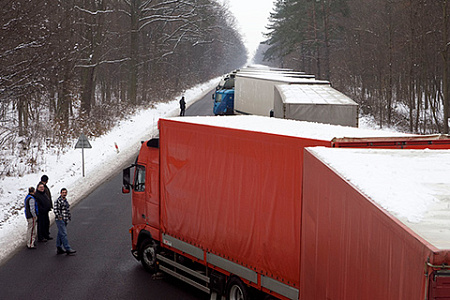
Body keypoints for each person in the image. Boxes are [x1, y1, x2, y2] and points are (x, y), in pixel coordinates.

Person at [54, 188, 76, 255]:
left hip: (65, 219)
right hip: (60, 220)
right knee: (64, 234)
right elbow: (55, 210)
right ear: (60, 193)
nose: (64, 194)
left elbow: (67, 209)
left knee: (60, 233)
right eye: (63, 192)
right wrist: (59, 217)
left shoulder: (65, 201)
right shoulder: (58, 201)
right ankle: (67, 248)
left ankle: (59, 247)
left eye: (65, 192)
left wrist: (69, 217)